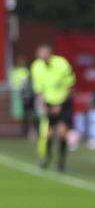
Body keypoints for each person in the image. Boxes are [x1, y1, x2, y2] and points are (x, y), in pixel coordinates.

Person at [30, 44, 75, 172]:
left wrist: (60, 104)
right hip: (48, 103)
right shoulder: (36, 67)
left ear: (50, 54)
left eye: (45, 54)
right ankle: (47, 157)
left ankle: (61, 162)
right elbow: (39, 89)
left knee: (62, 132)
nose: (43, 58)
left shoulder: (62, 64)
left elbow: (70, 87)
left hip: (63, 102)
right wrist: (43, 106)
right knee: (48, 134)